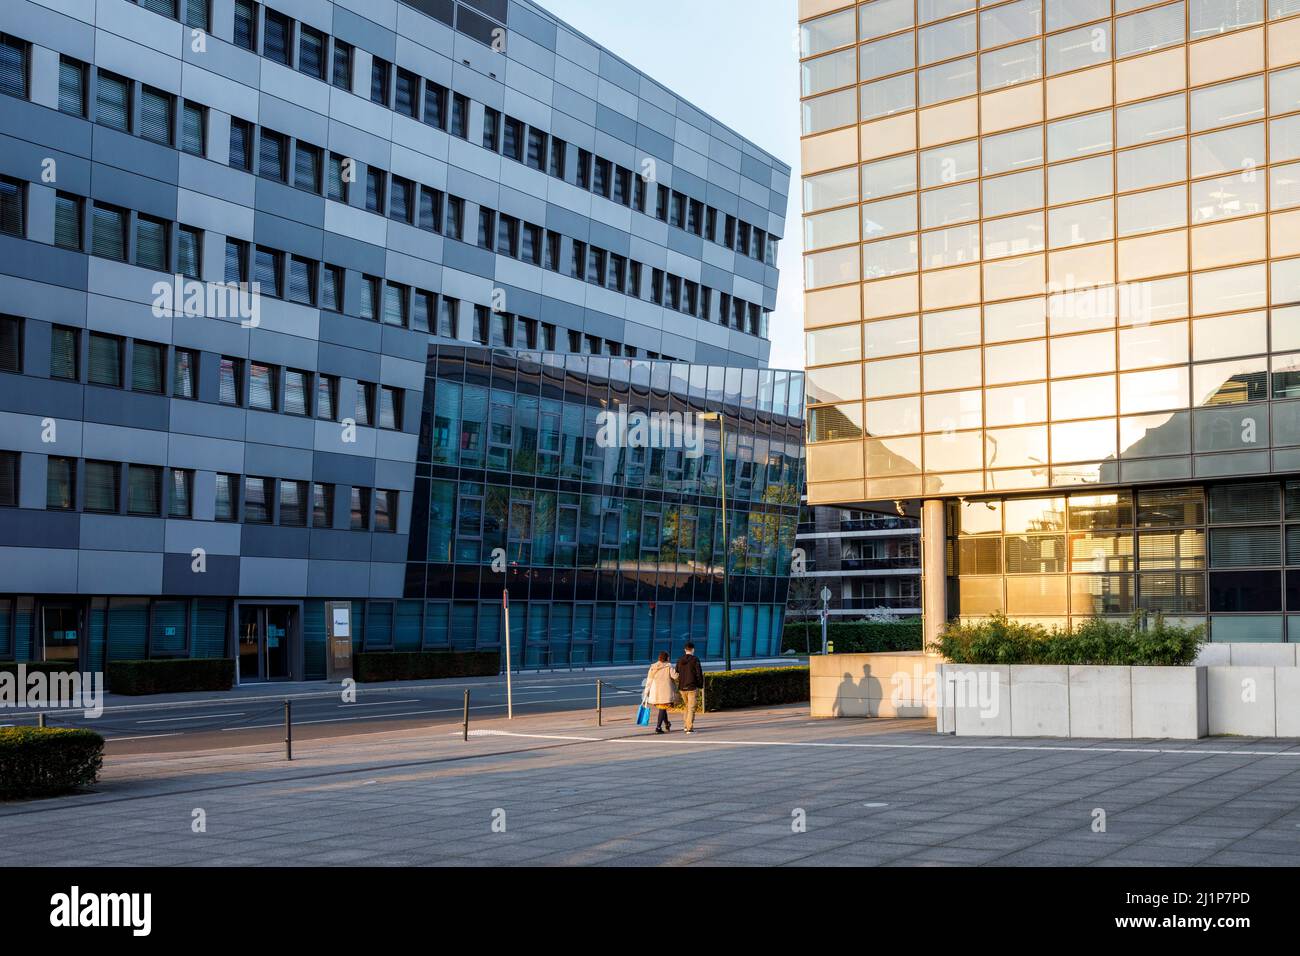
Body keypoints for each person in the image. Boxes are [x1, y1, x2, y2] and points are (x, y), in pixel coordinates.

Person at [644, 651, 677, 734]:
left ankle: (667, 723)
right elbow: (675, 676)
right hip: (665, 691)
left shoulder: (653, 667)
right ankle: (658, 727)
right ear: (667, 658)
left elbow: (649, 680)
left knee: (662, 708)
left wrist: (646, 692)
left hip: (656, 692)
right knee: (662, 708)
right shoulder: (669, 666)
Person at [675, 642, 704, 734]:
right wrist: (700, 685)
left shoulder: (680, 660)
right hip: (692, 687)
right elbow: (699, 674)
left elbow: (677, 672)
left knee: (687, 706)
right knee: (691, 708)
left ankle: (685, 725)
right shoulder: (695, 660)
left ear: (685, 650)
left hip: (682, 687)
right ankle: (689, 728)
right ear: (693, 650)